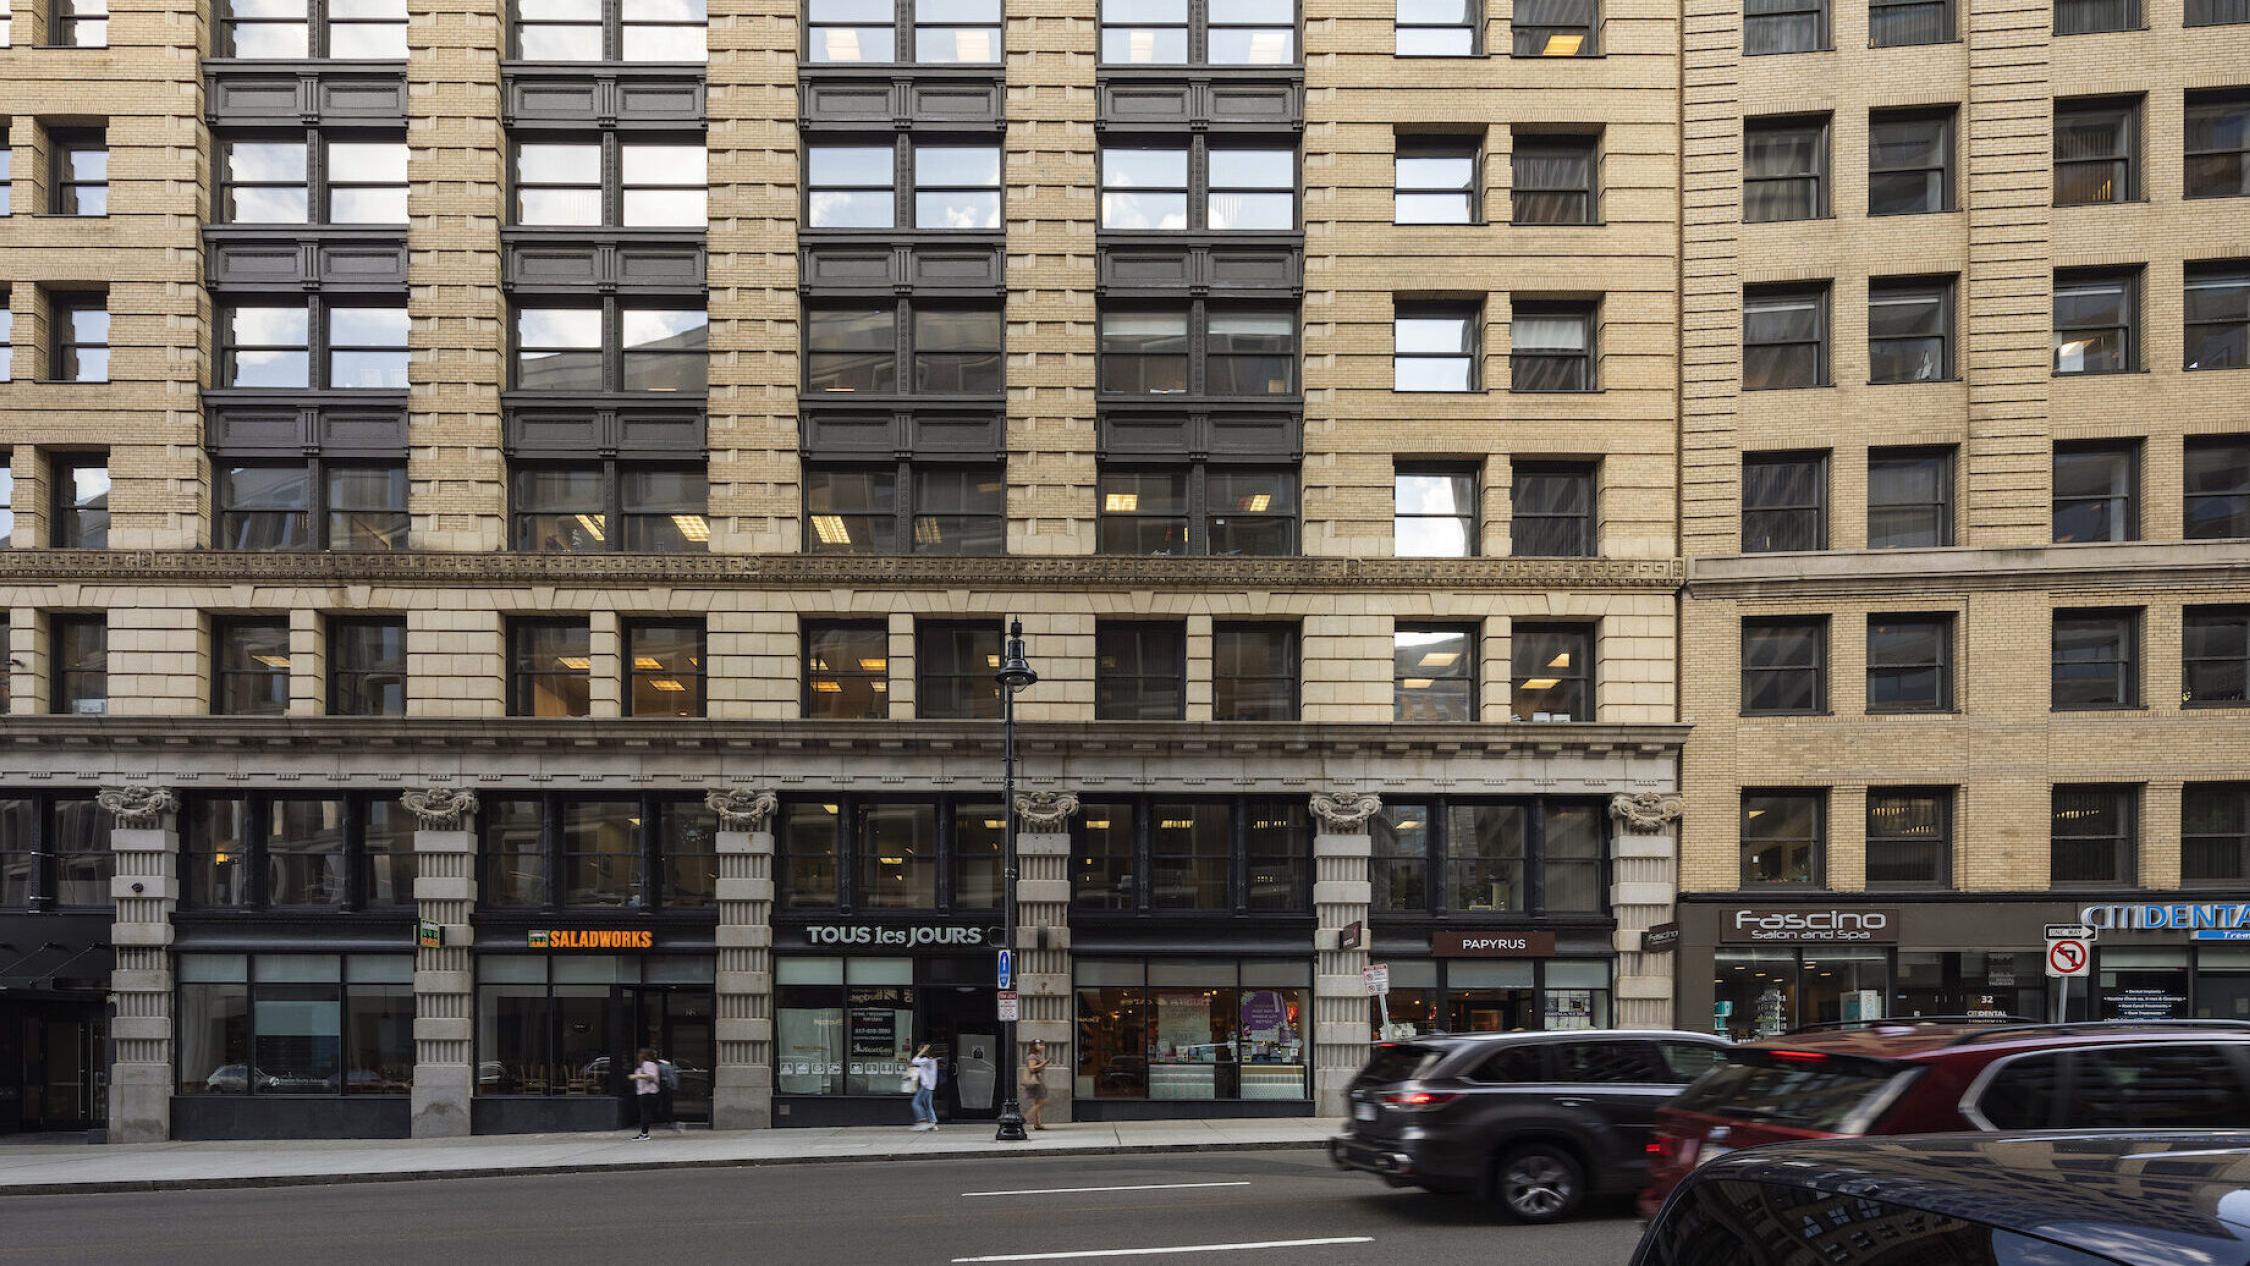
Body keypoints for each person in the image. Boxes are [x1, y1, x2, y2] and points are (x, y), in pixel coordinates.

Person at [629, 1047, 661, 1141]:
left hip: (647, 1092)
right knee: (645, 1113)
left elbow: (651, 1076)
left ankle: (644, 1133)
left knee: (645, 1113)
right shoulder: (649, 1064)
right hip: (646, 1092)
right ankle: (644, 1133)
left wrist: (636, 1076)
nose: (638, 1056)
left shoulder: (648, 1064)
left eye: (640, 1054)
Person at [908, 1043, 940, 1132]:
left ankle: (922, 1121)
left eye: (920, 1050)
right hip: (930, 1086)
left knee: (915, 1103)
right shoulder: (932, 1061)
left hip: (926, 1086)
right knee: (928, 1104)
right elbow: (919, 1066)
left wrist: (922, 1051)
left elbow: (914, 1061)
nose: (919, 1051)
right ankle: (932, 1123)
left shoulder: (927, 1061)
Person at [1022, 1041, 1050, 1131]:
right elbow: (1032, 1068)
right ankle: (1024, 1118)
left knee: (1037, 1102)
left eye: (1043, 1045)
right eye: (1040, 1044)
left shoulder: (1036, 1056)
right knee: (1043, 1101)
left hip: (1038, 1080)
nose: (1043, 1046)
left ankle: (1037, 1123)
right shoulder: (1032, 1056)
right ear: (1034, 1046)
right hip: (1036, 1081)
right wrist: (1044, 1063)